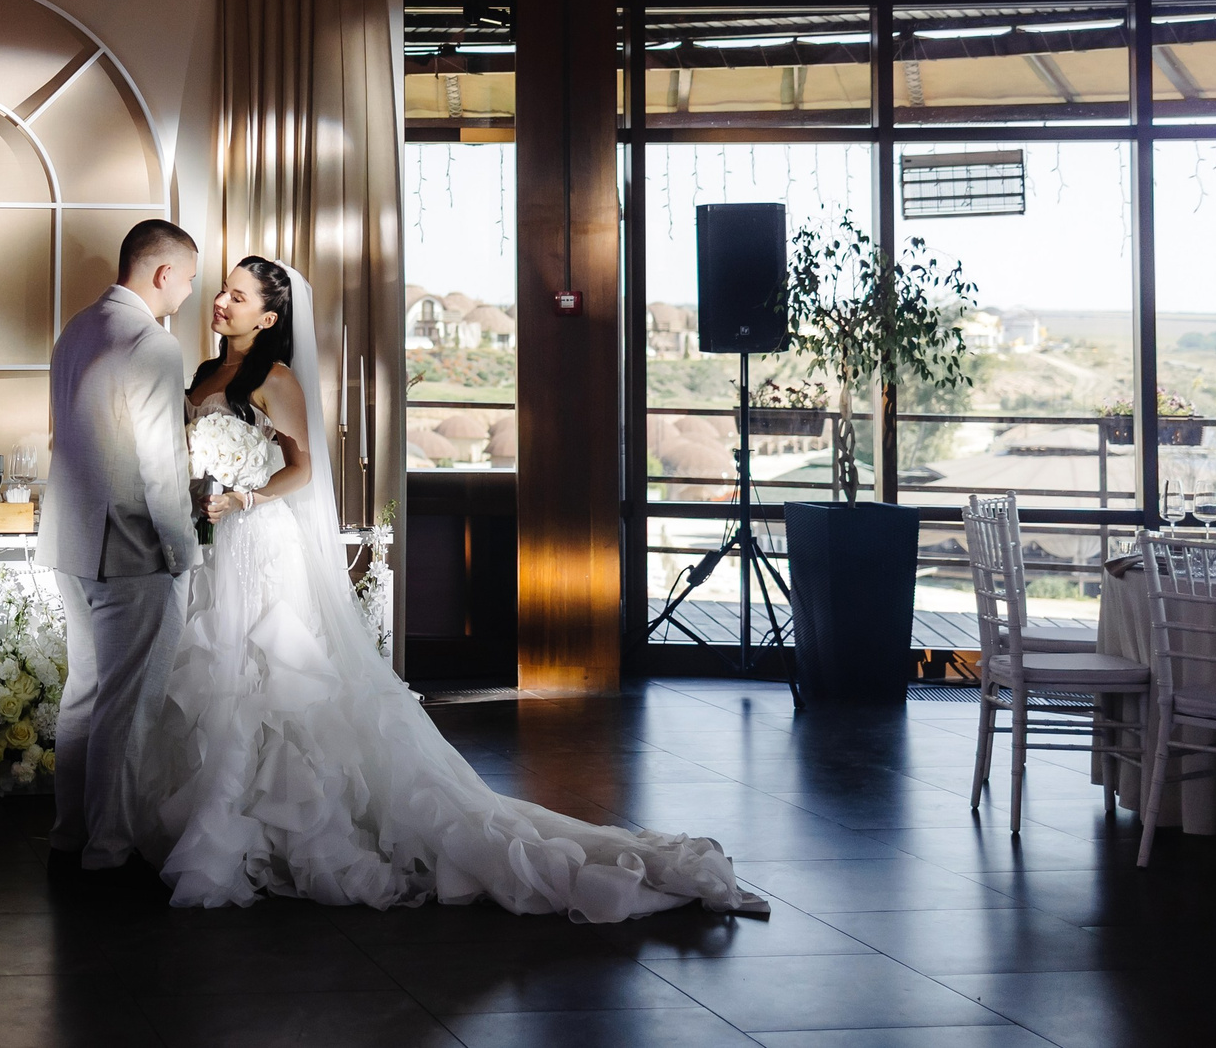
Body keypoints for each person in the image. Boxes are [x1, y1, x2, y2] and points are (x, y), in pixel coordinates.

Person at [134, 256, 763, 921]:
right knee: (221, 679)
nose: (221, 302)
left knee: (271, 680)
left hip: (260, 543)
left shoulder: (276, 378)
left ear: (268, 316)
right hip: (215, 550)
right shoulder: (203, 375)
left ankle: (269, 832)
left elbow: (304, 471)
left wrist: (242, 496)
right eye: (222, 291)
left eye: (237, 296)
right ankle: (226, 826)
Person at [36, 218, 201, 871]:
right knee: (126, 709)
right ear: (162, 273)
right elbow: (161, 465)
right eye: (188, 281)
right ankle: (108, 851)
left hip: (70, 541)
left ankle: (68, 835)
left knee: (84, 694)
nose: (188, 294)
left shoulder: (76, 328)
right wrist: (184, 552)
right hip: (132, 549)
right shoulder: (153, 345)